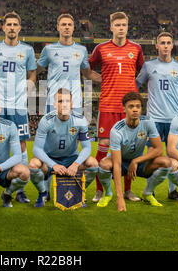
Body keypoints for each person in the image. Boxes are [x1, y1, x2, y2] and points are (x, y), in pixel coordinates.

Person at [36, 13, 101, 197]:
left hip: (76, 104)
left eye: (69, 24)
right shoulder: (48, 50)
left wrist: (112, 80)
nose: (66, 27)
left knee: (74, 143)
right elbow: (36, 69)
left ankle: (72, 181)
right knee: (50, 145)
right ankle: (48, 187)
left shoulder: (80, 50)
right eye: (63, 24)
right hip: (53, 103)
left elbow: (88, 75)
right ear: (58, 27)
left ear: (73, 28)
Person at [89, 11, 144, 202]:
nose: (121, 28)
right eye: (117, 25)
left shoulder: (136, 49)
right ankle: (99, 189)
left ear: (127, 27)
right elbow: (87, 70)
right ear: (111, 27)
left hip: (129, 107)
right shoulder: (101, 49)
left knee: (129, 148)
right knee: (103, 146)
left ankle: (127, 190)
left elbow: (140, 72)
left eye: (124, 25)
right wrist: (102, 80)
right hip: (108, 105)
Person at [0, 11, 36, 204]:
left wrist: (27, 87)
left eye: (15, 24)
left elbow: (32, 73)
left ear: (19, 28)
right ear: (3, 27)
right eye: (9, 24)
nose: (12, 27)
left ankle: (20, 190)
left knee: (21, 145)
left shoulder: (27, 50)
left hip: (18, 106)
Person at [97, 91, 172, 211]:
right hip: (120, 162)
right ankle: (108, 194)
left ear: (141, 109)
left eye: (138, 106)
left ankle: (148, 193)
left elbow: (159, 149)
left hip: (139, 162)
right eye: (131, 106)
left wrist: (136, 161)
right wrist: (120, 198)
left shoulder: (148, 122)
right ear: (124, 109)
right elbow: (116, 164)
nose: (135, 110)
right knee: (103, 164)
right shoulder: (116, 130)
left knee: (166, 162)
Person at [136, 31, 178, 200]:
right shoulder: (149, 66)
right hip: (154, 120)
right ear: (156, 46)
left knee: (174, 155)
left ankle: (172, 191)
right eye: (162, 43)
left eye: (168, 43)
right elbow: (136, 84)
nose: (165, 46)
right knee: (153, 155)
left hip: (174, 119)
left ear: (172, 46)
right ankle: (150, 190)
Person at [29, 88, 99, 207]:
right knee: (33, 164)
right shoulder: (46, 120)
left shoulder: (80, 120)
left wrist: (76, 164)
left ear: (72, 104)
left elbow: (87, 148)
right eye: (61, 101)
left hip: (71, 158)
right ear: (55, 104)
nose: (65, 104)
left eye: (67, 101)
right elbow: (37, 149)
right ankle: (43, 193)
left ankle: (79, 192)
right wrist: (53, 165)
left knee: (93, 163)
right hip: (51, 159)